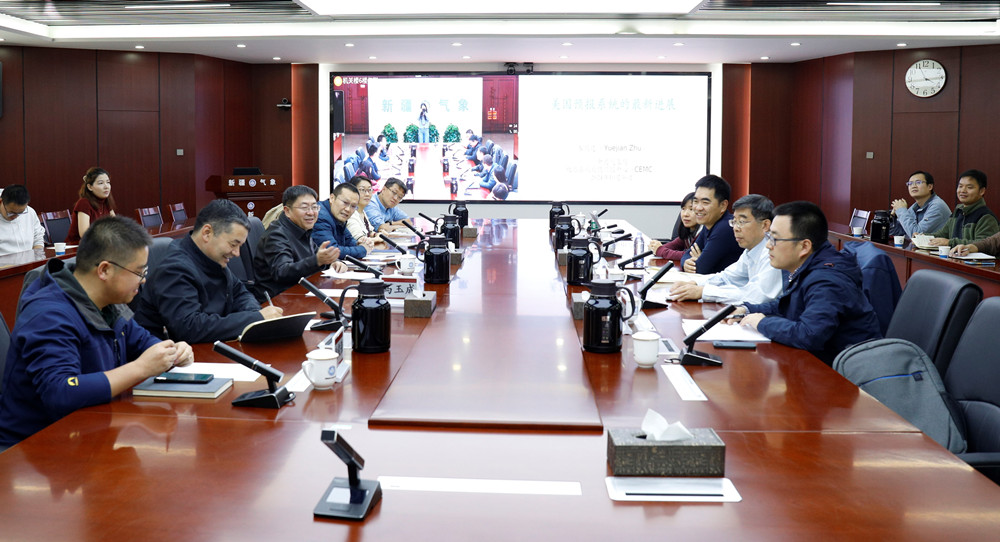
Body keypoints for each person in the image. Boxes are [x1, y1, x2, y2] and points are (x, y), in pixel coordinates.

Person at [0, 216, 194, 447]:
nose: (143, 281)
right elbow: (60, 392)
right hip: (33, 447)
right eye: (139, 272)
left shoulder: (108, 303)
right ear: (104, 270)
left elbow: (144, 343)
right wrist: (141, 367)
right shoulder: (49, 315)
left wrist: (172, 352)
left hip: (90, 433)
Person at [731, 201, 882, 365]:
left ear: (804, 246)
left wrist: (761, 322)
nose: (768, 245)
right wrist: (747, 309)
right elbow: (787, 305)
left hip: (845, 372)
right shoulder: (810, 266)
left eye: (774, 239)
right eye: (769, 237)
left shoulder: (827, 282)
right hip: (819, 362)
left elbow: (809, 335)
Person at [134, 199, 284, 343]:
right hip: (174, 353)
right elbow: (190, 327)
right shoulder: (175, 269)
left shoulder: (212, 257)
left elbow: (240, 292)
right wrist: (255, 318)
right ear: (207, 233)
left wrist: (255, 314)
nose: (237, 253)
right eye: (233, 244)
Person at [669, 195, 784, 305]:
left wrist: (703, 292)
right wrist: (694, 283)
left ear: (765, 225)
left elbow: (757, 297)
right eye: (734, 222)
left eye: (742, 222)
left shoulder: (774, 252)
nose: (736, 228)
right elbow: (727, 277)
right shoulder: (751, 249)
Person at [253, 185, 347, 301]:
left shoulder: (302, 229)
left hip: (299, 294)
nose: (311, 213)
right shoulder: (276, 235)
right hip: (278, 300)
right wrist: (317, 260)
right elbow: (282, 272)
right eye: (304, 208)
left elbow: (317, 256)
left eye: (314, 207)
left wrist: (333, 262)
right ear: (287, 211)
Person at [679, 175, 742, 274]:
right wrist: (686, 263)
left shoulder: (725, 227)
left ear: (723, 205)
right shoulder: (709, 223)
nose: (698, 208)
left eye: (705, 202)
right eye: (695, 201)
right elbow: (687, 254)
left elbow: (700, 268)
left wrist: (697, 262)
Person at [926, 169, 998, 247]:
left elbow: (983, 245)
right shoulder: (958, 211)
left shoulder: (986, 217)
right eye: (960, 186)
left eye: (969, 187)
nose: (963, 190)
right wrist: (921, 236)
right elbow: (942, 234)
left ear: (981, 191)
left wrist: (950, 242)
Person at [313, 182, 371, 259]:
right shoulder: (320, 216)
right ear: (332, 198)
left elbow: (348, 240)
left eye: (353, 206)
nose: (348, 209)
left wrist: (359, 244)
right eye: (345, 203)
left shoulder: (336, 215)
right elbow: (331, 251)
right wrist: (362, 249)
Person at [889, 170, 949, 238]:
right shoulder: (915, 207)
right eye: (910, 183)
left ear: (930, 186)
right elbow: (897, 232)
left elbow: (917, 235)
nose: (913, 186)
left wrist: (901, 210)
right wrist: (892, 218)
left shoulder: (937, 206)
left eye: (918, 182)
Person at [67, 167, 117, 243]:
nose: (106, 186)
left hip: (101, 244)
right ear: (90, 187)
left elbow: (117, 227)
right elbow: (85, 234)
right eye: (101, 183)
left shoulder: (106, 202)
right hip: (78, 246)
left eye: (108, 182)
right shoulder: (84, 203)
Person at [648, 192, 699, 260]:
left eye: (691, 209)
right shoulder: (688, 232)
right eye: (683, 209)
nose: (685, 214)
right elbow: (673, 245)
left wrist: (660, 250)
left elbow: (688, 255)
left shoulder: (702, 233)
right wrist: (655, 247)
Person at [0, 184, 45, 256]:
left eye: (20, 212)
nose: (15, 216)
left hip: (29, 260)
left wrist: (38, 257)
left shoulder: (30, 212)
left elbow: (37, 238)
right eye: (11, 212)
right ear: (1, 201)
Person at [345, 175, 385, 247]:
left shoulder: (361, 211)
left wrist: (376, 234)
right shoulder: (350, 213)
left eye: (369, 190)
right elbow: (359, 240)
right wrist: (377, 239)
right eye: (362, 190)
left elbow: (369, 232)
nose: (367, 194)